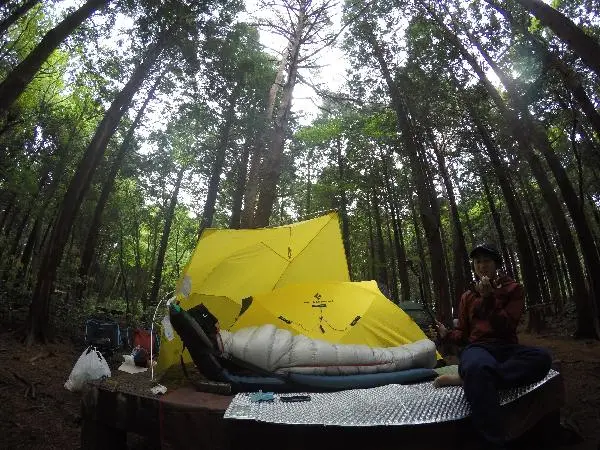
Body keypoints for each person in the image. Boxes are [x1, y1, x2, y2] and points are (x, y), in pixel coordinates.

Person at [435, 243, 552, 449]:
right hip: (478, 348)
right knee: (477, 366)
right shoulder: (467, 296)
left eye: (487, 261)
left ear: (496, 264)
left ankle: (471, 379)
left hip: (506, 347)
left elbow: (508, 326)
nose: (482, 266)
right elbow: (463, 334)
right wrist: (447, 335)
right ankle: (493, 441)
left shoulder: (513, 289)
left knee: (542, 358)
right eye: (477, 262)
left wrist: (490, 299)